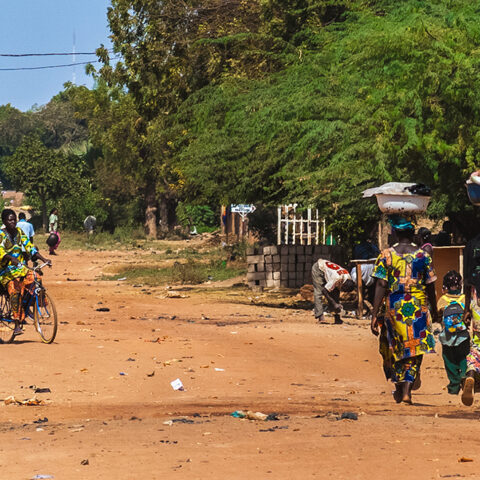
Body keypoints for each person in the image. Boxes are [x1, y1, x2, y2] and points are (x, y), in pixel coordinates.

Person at [370, 215, 438, 404]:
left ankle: (400, 387)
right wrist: (435, 308)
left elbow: (381, 284)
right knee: (414, 348)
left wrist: (374, 314)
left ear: (395, 234)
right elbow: (431, 285)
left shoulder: (386, 255)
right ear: (413, 233)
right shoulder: (423, 256)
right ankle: (407, 390)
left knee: (395, 347)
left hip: (394, 308)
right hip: (418, 307)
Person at [0, 209, 51, 334]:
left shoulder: (19, 232)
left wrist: (44, 259)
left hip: (20, 268)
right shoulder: (1, 235)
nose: (13, 222)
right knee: (14, 288)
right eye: (10, 220)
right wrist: (11, 258)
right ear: (4, 221)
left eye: (14, 220)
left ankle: (28, 307)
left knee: (36, 277)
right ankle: (17, 323)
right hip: (5, 271)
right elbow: (0, 251)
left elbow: (29, 246)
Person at [437, 271, 469, 395]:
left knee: (449, 361)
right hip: (463, 336)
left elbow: (439, 313)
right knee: (464, 357)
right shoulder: (464, 298)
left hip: (447, 337)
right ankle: (464, 376)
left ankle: (454, 386)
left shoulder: (443, 299)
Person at [460, 232, 480, 406]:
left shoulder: (471, 245)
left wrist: (466, 309)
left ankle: (472, 373)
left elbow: (467, 281)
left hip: (476, 300)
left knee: (476, 344)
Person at [311, 259, 355, 324]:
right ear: (342, 284)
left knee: (335, 294)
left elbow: (335, 293)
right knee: (318, 292)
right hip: (319, 268)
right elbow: (324, 290)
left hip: (327, 270)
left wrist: (336, 303)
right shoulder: (336, 278)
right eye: (342, 289)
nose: (342, 291)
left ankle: (337, 318)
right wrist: (334, 303)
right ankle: (320, 317)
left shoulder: (347, 277)